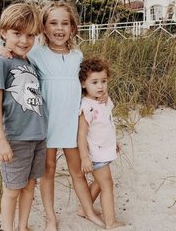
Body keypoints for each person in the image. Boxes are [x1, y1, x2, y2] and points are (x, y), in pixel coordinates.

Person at [0, 0, 104, 231]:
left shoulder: (77, 55)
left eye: (65, 23)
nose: (59, 28)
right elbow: (14, 57)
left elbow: (87, 84)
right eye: (53, 23)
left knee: (77, 170)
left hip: (71, 123)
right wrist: (0, 50)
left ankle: (89, 211)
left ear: (73, 27)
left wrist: (100, 96)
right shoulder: (36, 53)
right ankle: (50, 217)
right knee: (48, 170)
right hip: (45, 124)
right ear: (43, 27)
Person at [0, 3, 47, 231]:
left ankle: (23, 226)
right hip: (15, 138)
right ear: (3, 32)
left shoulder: (29, 63)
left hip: (38, 137)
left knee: (30, 185)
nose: (24, 41)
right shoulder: (1, 62)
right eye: (17, 34)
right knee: (12, 189)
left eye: (30, 35)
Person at [78, 57, 126, 230]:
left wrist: (114, 142)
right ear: (84, 84)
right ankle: (111, 221)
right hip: (95, 153)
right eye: (94, 82)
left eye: (103, 81)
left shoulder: (103, 100)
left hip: (105, 149)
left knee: (99, 183)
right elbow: (82, 134)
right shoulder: (86, 106)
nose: (100, 86)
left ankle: (85, 209)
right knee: (107, 185)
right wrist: (84, 157)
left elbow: (107, 123)